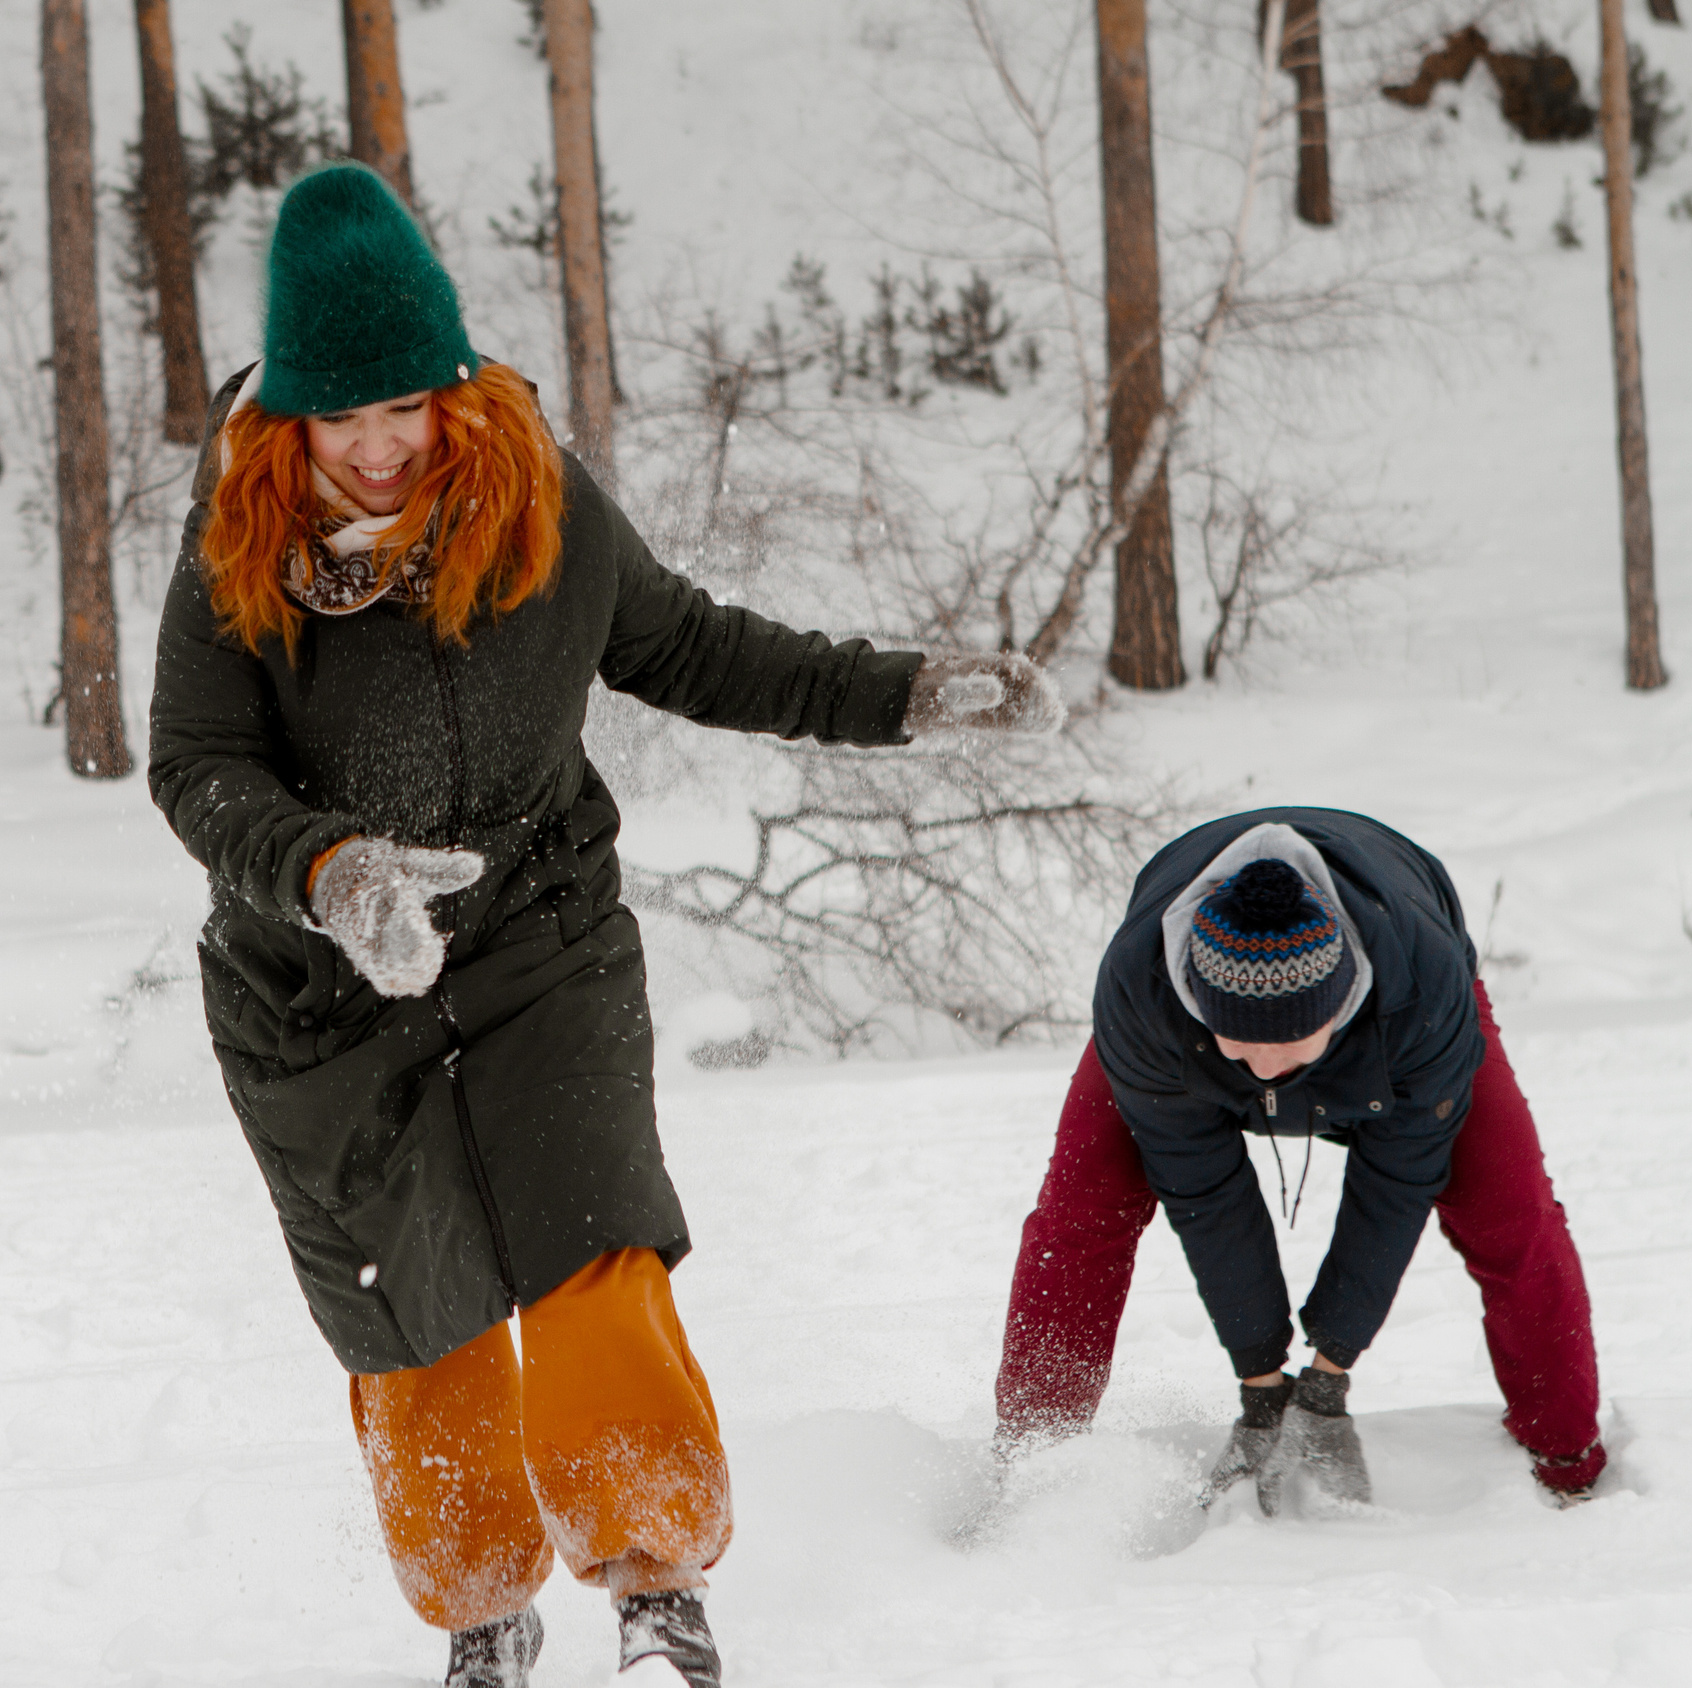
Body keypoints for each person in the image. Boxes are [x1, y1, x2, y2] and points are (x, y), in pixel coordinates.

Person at [148, 162, 1059, 1688]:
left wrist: (892, 693)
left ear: (451, 388)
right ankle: (483, 1617)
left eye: (404, 408)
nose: (378, 449)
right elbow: (194, 767)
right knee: (417, 1324)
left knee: (594, 1253)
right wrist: (332, 875)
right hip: (318, 982)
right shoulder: (240, 554)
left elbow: (693, 646)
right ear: (292, 417)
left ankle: (654, 1591)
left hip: (534, 929)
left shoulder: (536, 506)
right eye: (341, 418)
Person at [991, 807, 1605, 1513]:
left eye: (1293, 1049)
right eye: (1243, 1049)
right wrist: (1260, 1380)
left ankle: (1569, 1464)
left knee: (1510, 1206)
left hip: (1402, 1016)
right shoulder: (1143, 994)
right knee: (1082, 1210)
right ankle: (1031, 1472)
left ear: (1340, 1003)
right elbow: (1203, 1190)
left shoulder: (1422, 990)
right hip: (1171, 1042)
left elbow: (1397, 1182)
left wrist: (1327, 1375)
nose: (1268, 1075)